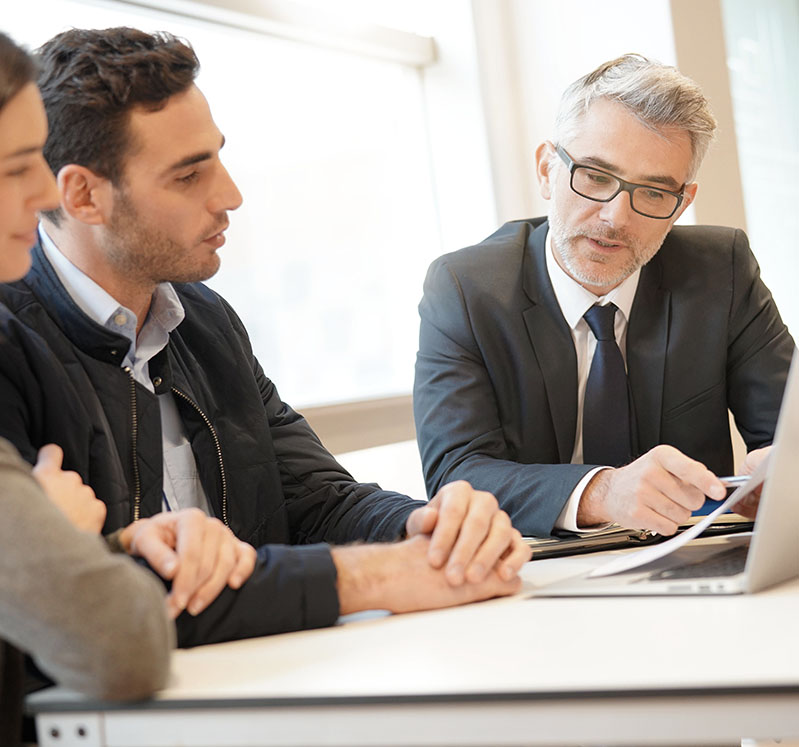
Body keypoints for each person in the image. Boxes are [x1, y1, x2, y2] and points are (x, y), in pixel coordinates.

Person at [0, 26, 530, 650]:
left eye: (218, 157)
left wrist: (428, 528)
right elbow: (100, 602)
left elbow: (315, 501)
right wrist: (376, 577)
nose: (230, 196)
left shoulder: (203, 319)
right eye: (189, 176)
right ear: (84, 195)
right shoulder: (13, 345)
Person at [414, 54, 794, 539]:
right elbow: (455, 475)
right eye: (595, 177)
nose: (616, 217)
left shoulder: (723, 270)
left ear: (683, 204)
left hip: (692, 558)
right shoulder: (465, 288)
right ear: (547, 168)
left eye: (654, 193)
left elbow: (789, 433)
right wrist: (603, 491)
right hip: (534, 574)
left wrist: (780, 473)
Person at [0, 32, 173, 746]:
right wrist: (77, 540)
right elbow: (121, 644)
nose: (45, 195)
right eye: (14, 169)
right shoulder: (21, 336)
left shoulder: (206, 323)